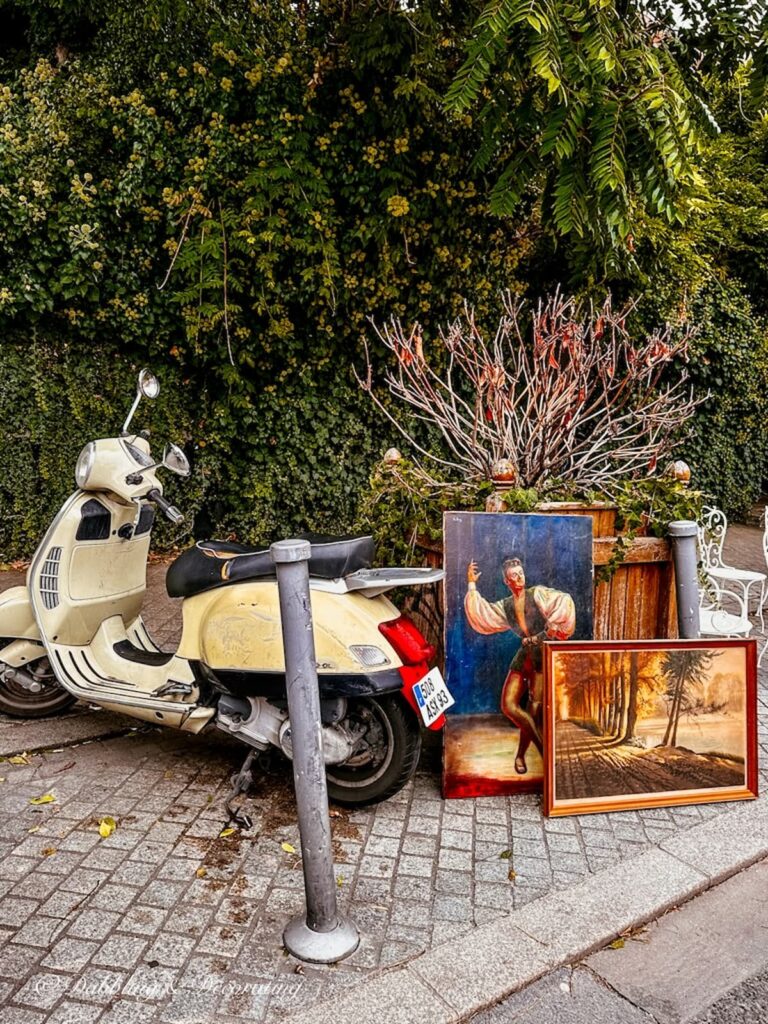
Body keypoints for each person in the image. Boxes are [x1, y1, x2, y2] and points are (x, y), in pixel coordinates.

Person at [464, 556, 575, 774]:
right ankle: (545, 748)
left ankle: (521, 756)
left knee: (533, 708)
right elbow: (482, 614)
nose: (519, 578)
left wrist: (549, 630)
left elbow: (565, 602)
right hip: (524, 655)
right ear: (507, 581)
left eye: (521, 573)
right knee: (508, 705)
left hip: (542, 655)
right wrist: (471, 583)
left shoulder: (538, 594)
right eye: (513, 576)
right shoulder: (505, 606)